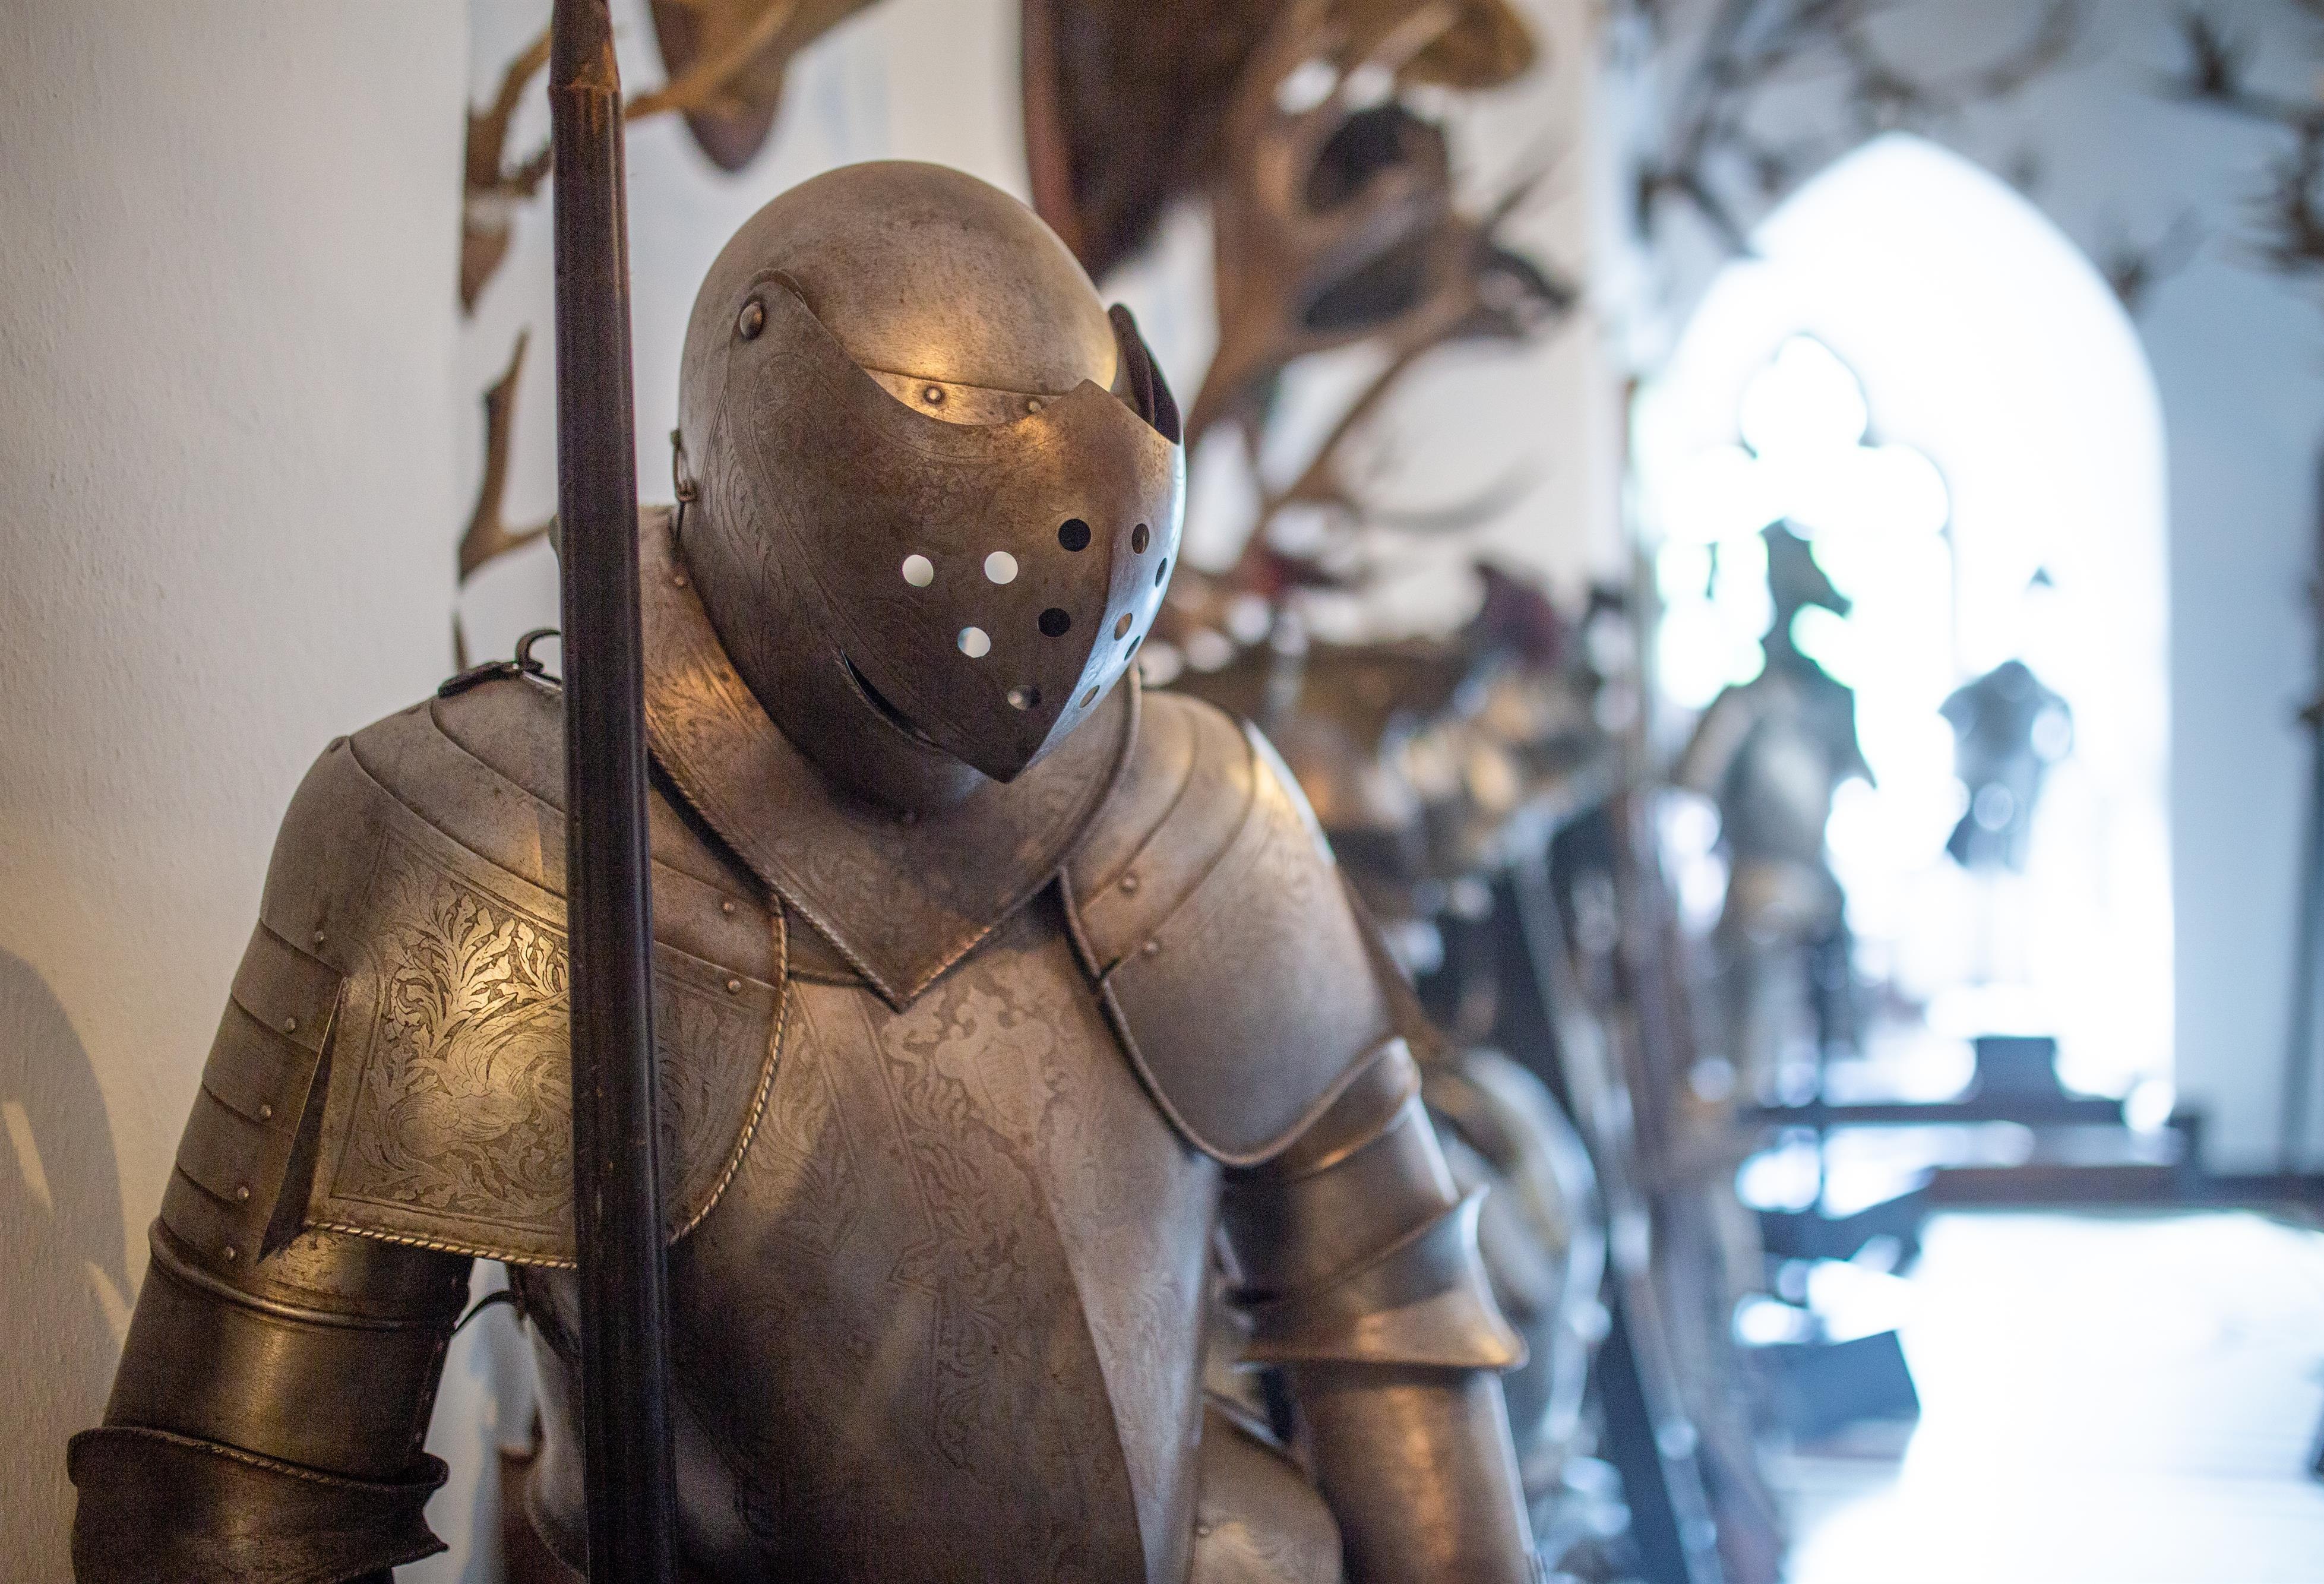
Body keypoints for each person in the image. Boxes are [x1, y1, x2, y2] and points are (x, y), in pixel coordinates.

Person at [68, 162, 1538, 1584]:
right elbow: (228, 1512)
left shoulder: (1206, 810)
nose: (1053, 592)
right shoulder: (495, 834)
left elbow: (1397, 1322)